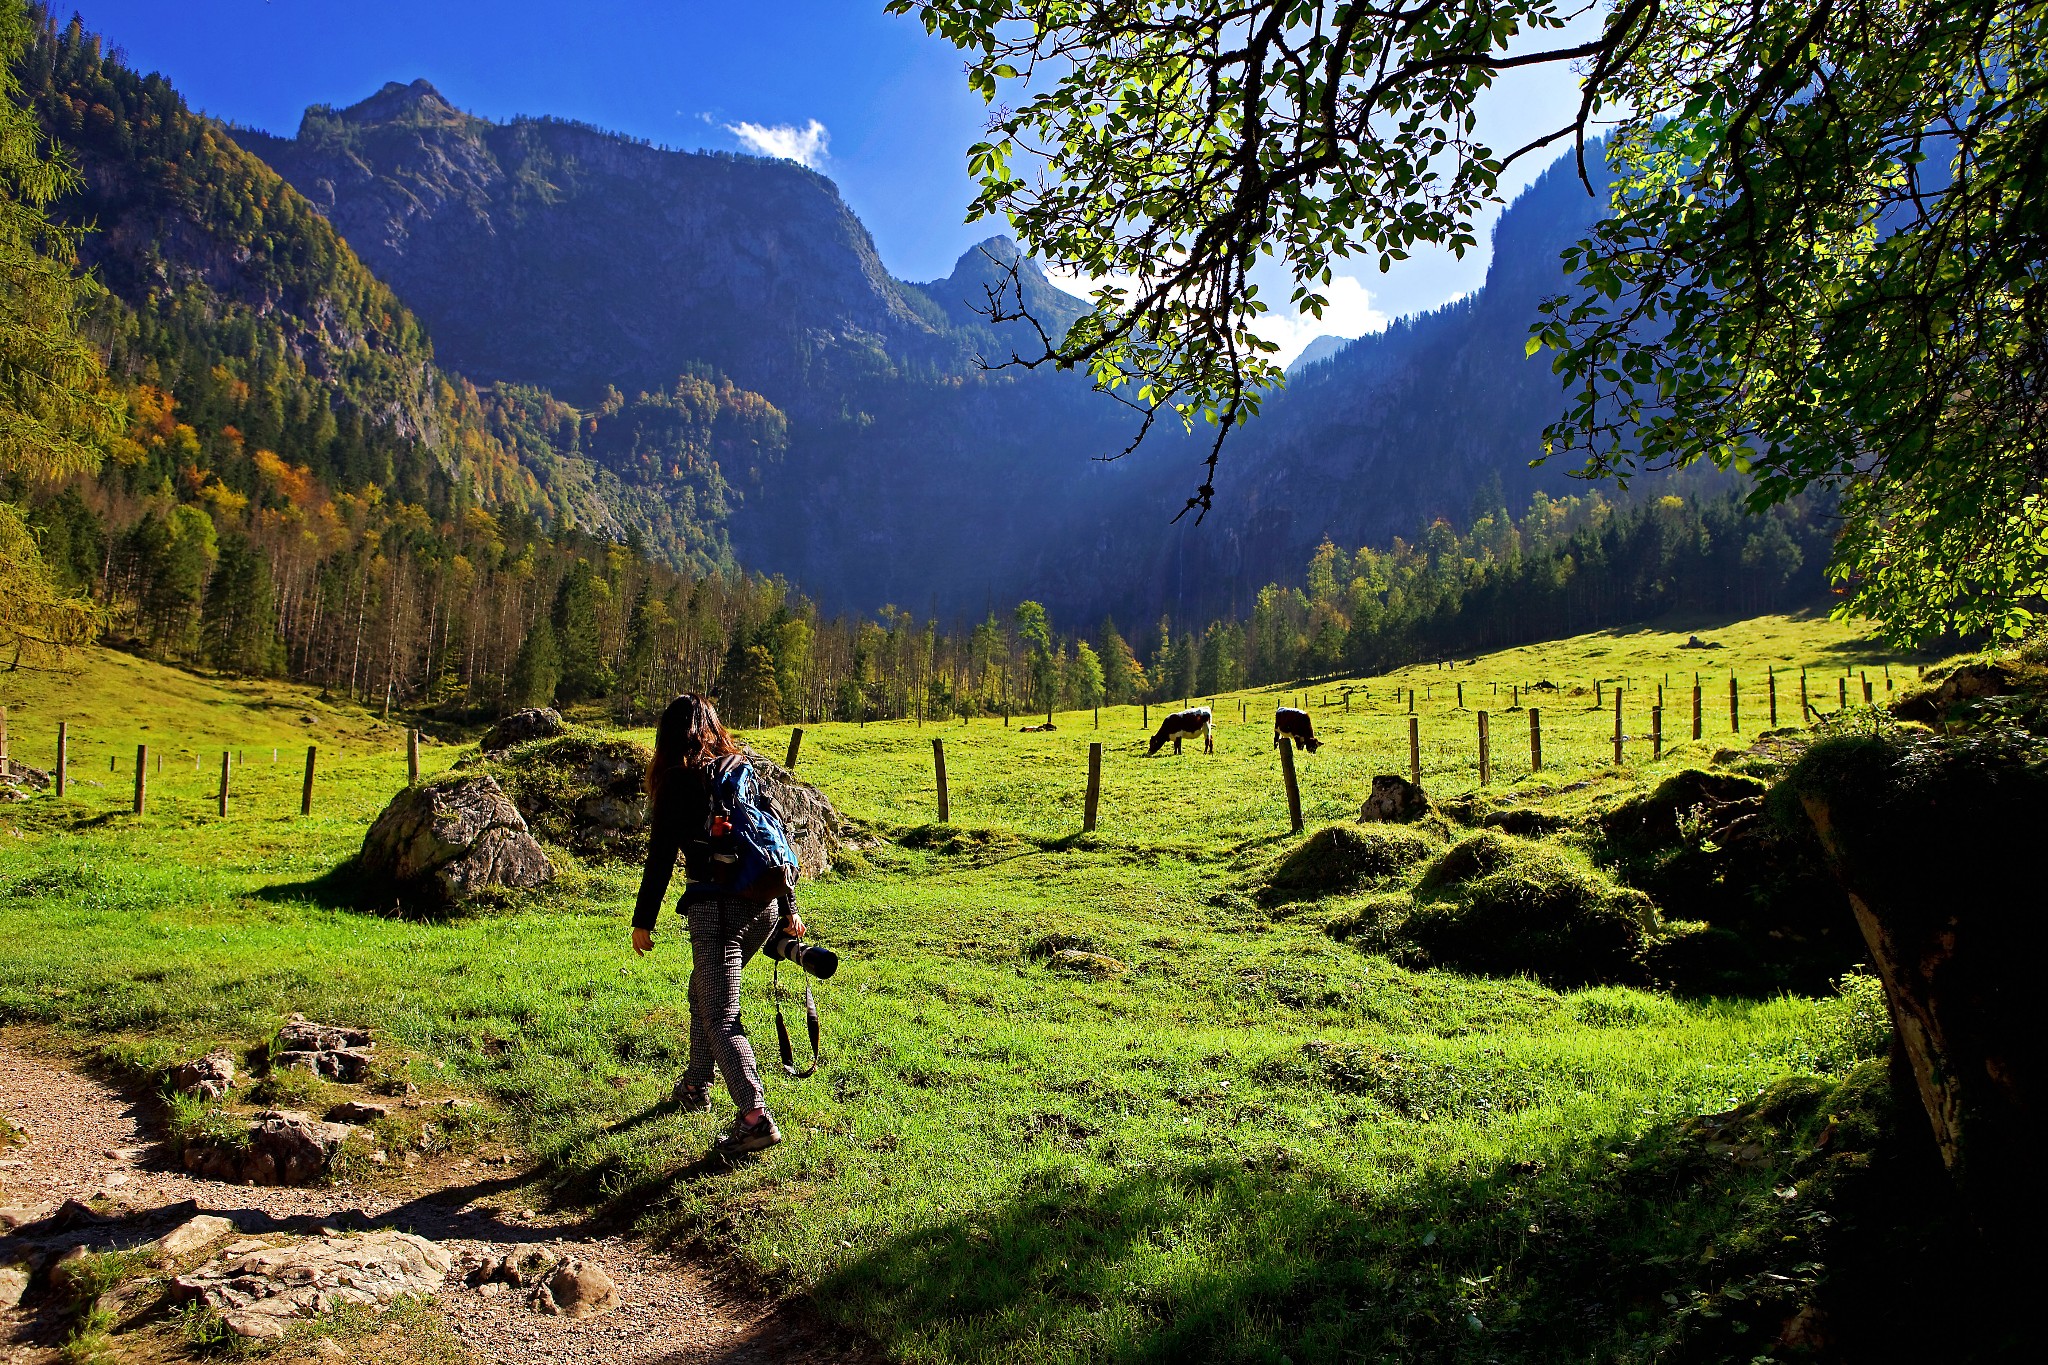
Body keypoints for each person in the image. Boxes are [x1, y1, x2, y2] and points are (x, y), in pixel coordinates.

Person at [630, 693, 798, 1156]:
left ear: (667, 736)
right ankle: (694, 1086)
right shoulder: (740, 769)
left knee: (721, 1016)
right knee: (702, 991)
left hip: (716, 910)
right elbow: (776, 840)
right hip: (761, 906)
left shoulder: (678, 782)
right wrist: (789, 912)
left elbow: (661, 859)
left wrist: (643, 921)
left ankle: (755, 1117)